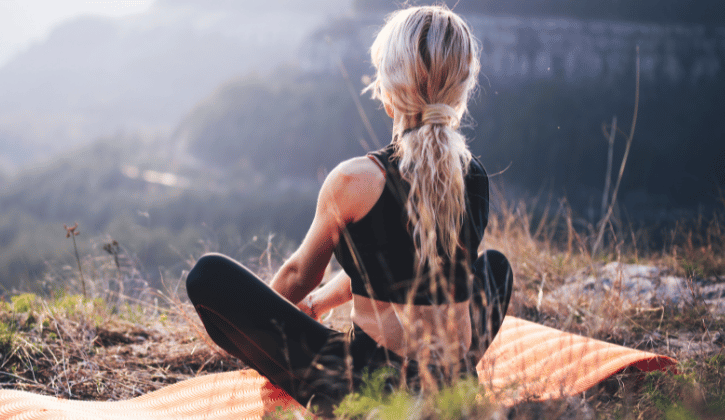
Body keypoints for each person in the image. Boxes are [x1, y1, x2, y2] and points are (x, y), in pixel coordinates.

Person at [184, 5, 513, 411]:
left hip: (369, 392)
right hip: (453, 385)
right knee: (495, 268)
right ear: (461, 90)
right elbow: (401, 270)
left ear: (388, 89)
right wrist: (322, 303)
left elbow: (299, 274)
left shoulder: (355, 181)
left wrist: (266, 335)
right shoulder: (473, 176)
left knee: (208, 276)